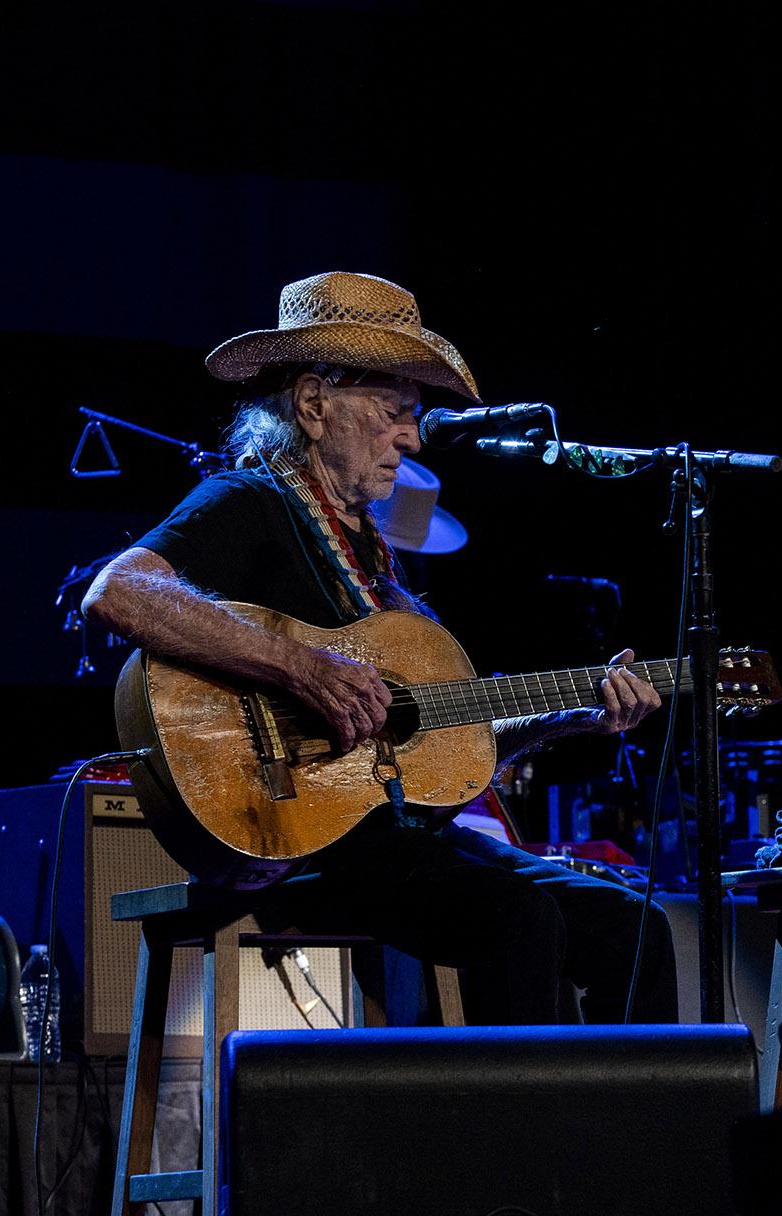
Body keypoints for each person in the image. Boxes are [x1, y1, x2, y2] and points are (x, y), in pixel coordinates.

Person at [82, 270, 678, 1024]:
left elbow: (446, 749)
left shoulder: (373, 558)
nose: (412, 436)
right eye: (394, 412)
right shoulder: (250, 502)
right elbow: (118, 592)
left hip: (400, 831)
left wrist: (575, 716)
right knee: (522, 920)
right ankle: (516, 1140)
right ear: (313, 404)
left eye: (413, 415)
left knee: (636, 927)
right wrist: (305, 668)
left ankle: (635, 1136)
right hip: (305, 831)